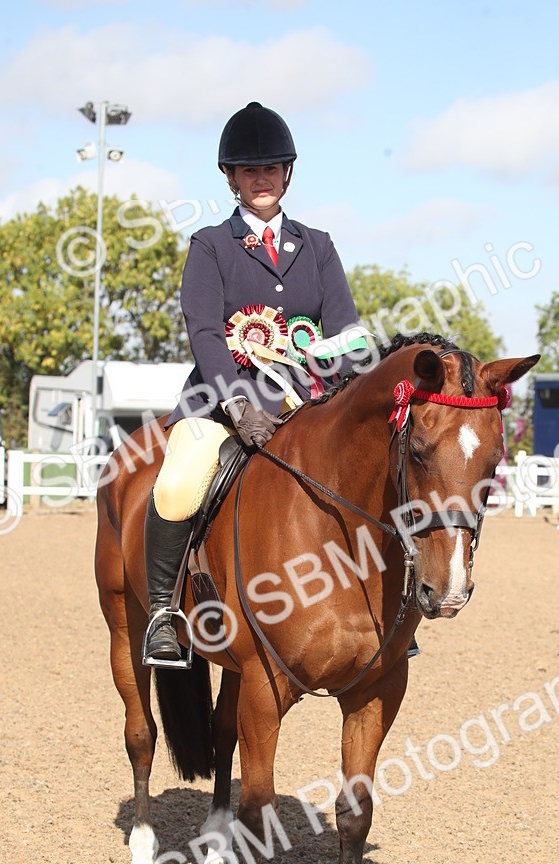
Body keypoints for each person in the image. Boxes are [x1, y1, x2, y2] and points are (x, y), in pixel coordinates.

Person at [143, 101, 361, 666]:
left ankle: (377, 611)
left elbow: (345, 333)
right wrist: (236, 403)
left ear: (287, 174)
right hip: (222, 402)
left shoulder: (318, 246)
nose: (260, 180)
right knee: (176, 483)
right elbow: (206, 331)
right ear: (231, 179)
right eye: (248, 171)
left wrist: (339, 388)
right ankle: (164, 614)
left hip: (307, 401)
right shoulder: (211, 246)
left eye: (270, 169)